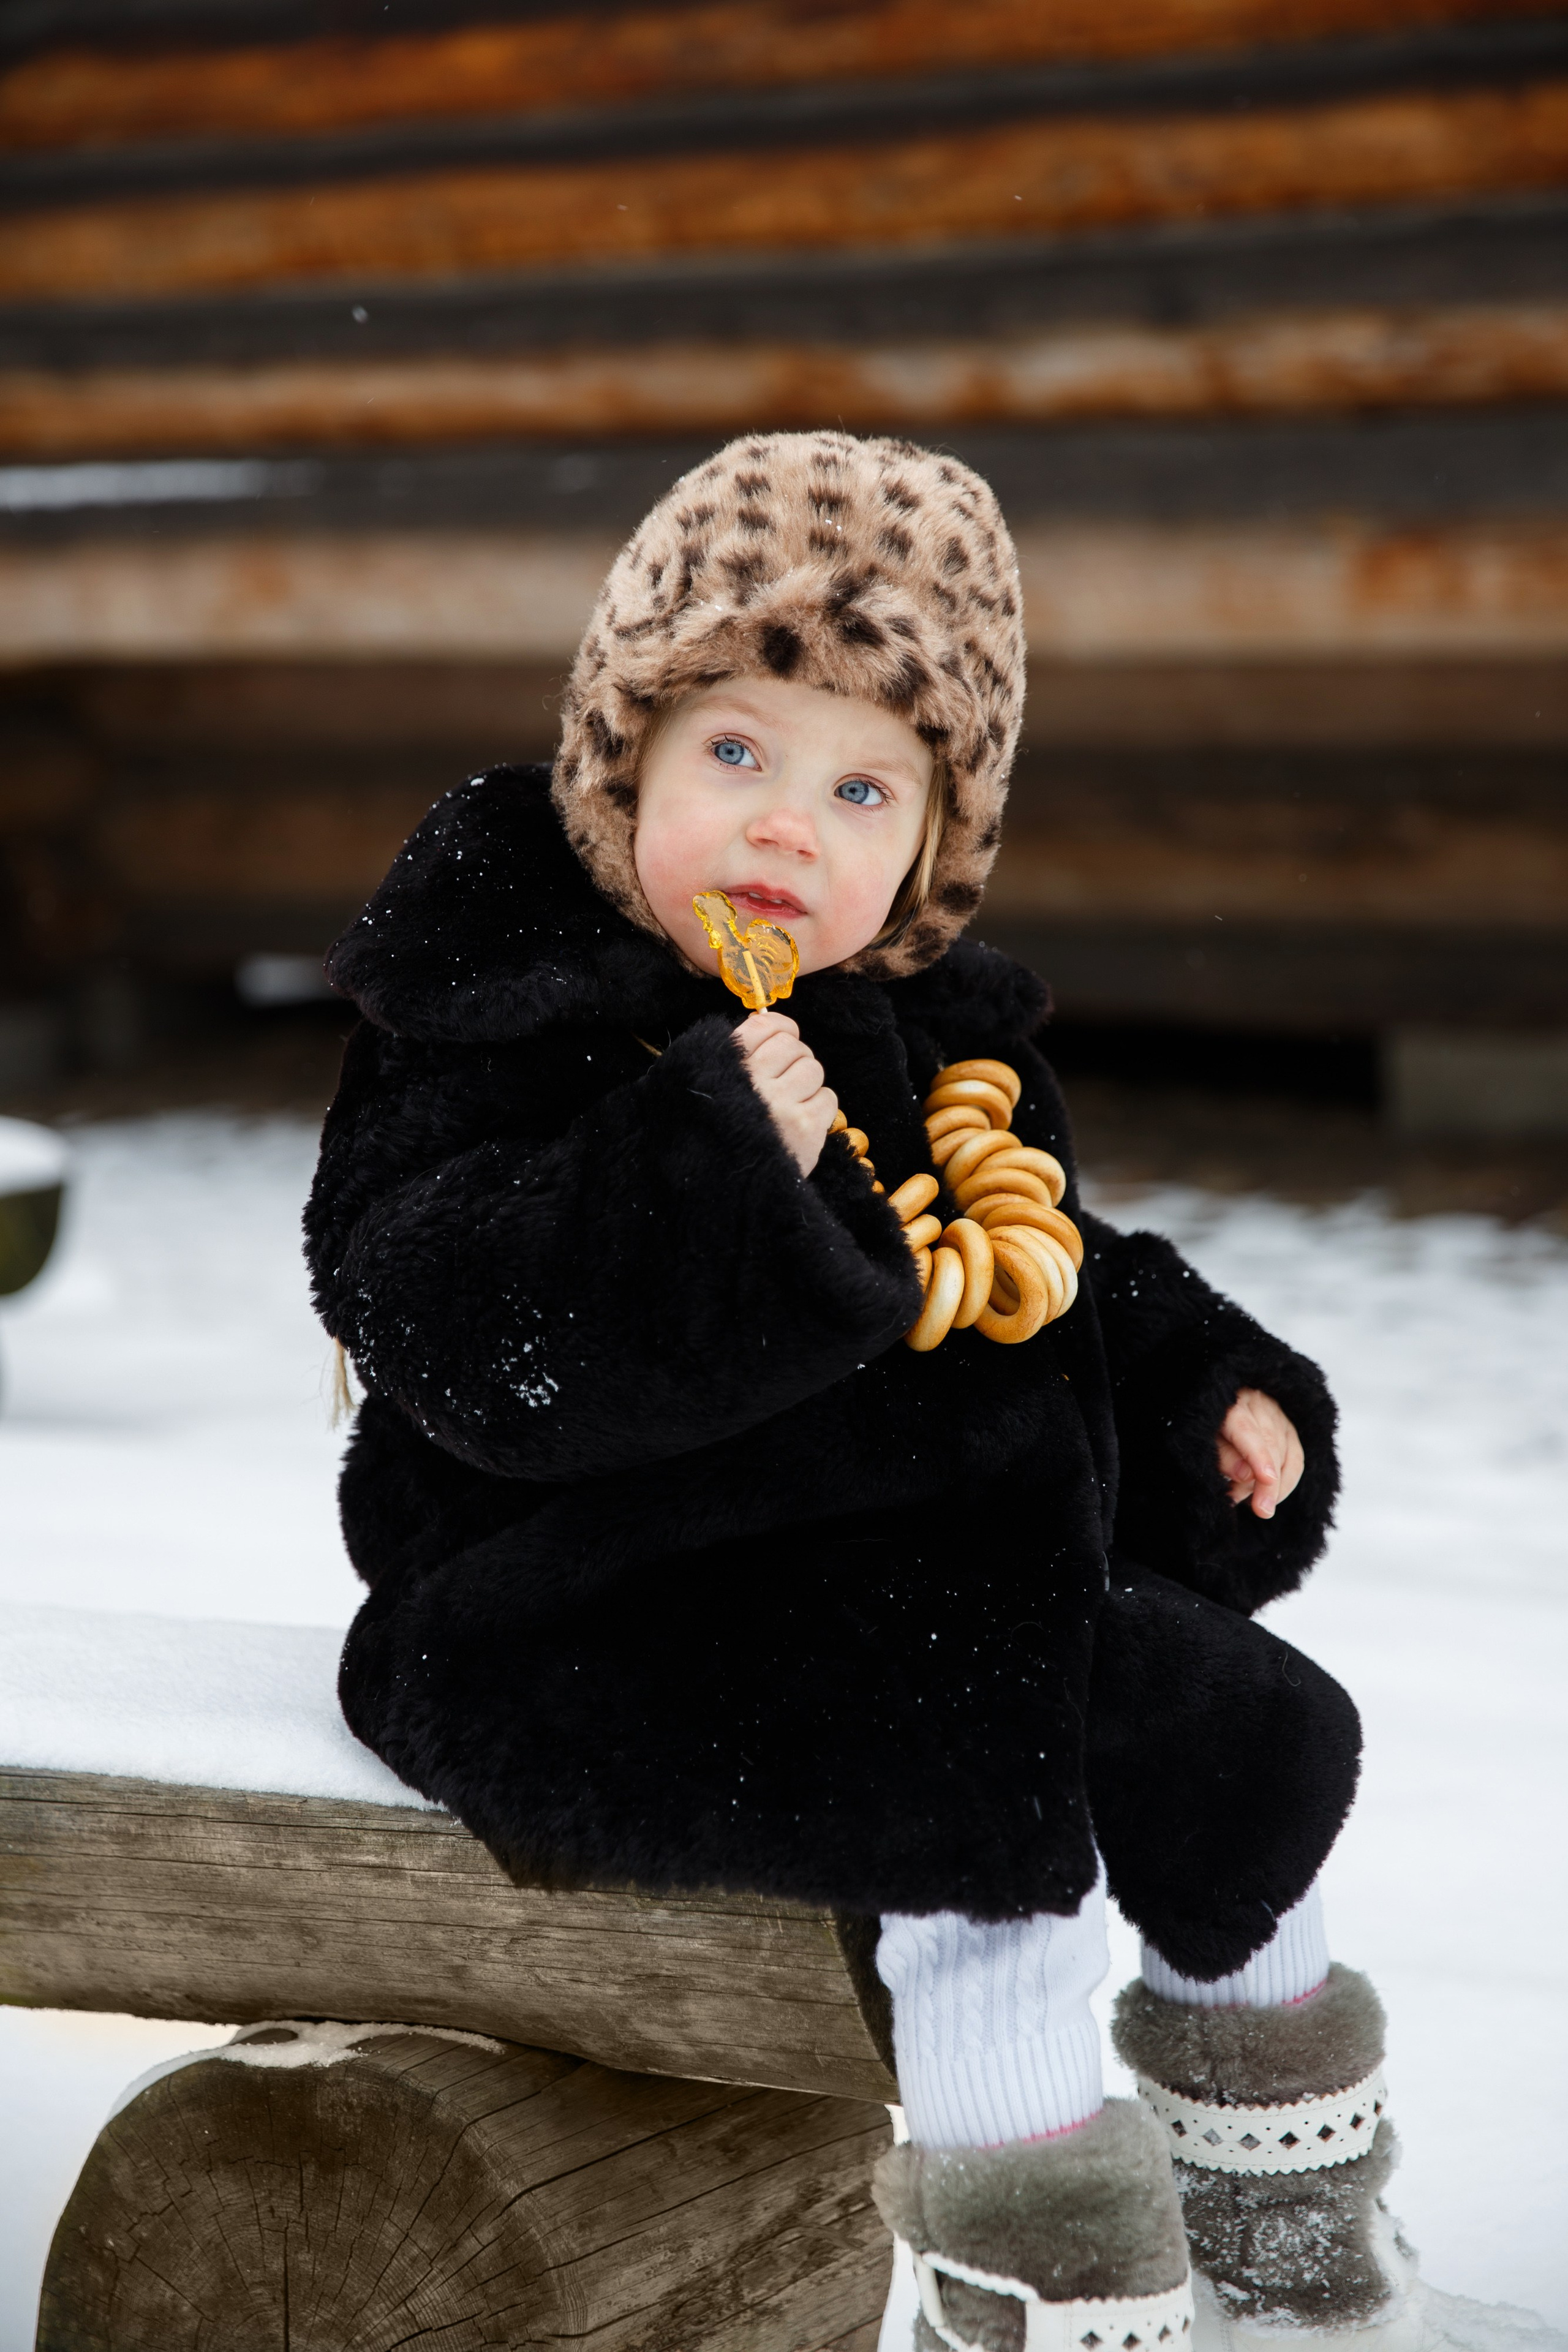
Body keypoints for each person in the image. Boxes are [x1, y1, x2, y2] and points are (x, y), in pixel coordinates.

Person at [306, 432, 1405, 2351]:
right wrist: (700, 1175)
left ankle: (1294, 2239)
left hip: (879, 1581)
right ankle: (1043, 2260)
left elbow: (1034, 1282)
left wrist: (1195, 1384)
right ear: (620, 750)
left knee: (1240, 1722)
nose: (784, 827)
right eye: (735, 749)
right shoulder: (515, 1008)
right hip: (576, 1603)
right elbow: (455, 1321)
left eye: (861, 783)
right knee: (982, 1774)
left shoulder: (919, 1038)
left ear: (931, 842)